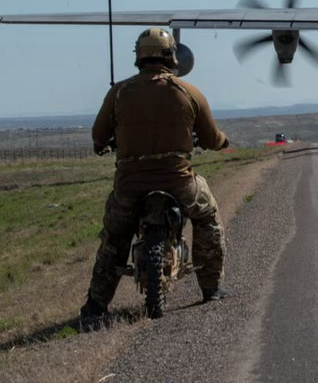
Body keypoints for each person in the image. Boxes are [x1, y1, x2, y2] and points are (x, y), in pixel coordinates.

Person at [79, 28, 230, 326]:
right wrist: (223, 141)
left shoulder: (119, 92)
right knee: (208, 218)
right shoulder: (189, 92)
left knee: (114, 237)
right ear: (171, 55)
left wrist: (104, 145)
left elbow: (98, 136)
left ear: (139, 56)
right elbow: (211, 138)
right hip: (180, 183)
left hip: (130, 186)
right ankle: (211, 287)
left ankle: (96, 305)